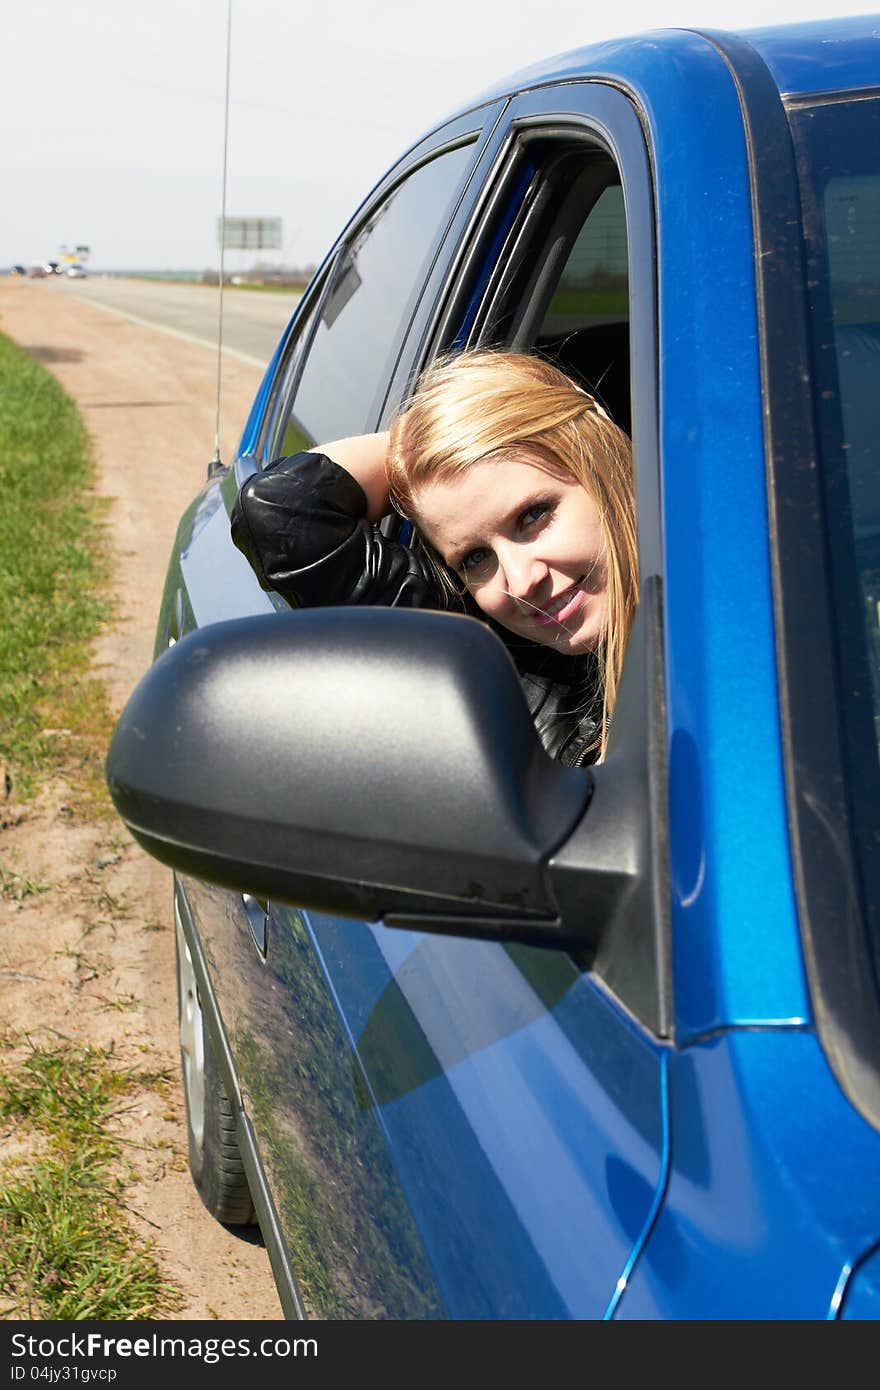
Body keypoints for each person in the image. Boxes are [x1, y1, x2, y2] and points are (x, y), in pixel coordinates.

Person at [230, 350, 638, 765]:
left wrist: (549, 413)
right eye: (475, 558)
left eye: (532, 516)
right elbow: (279, 513)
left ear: (597, 454)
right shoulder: (505, 666)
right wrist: (424, 440)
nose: (520, 581)